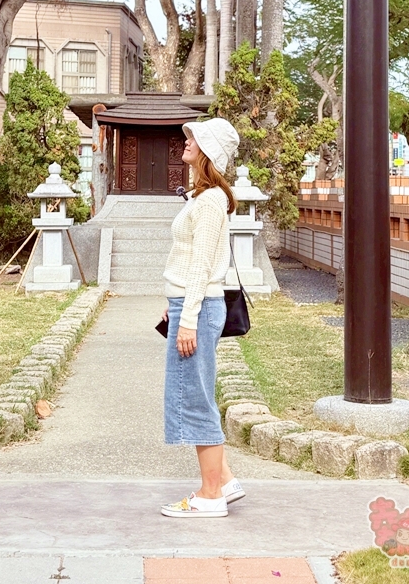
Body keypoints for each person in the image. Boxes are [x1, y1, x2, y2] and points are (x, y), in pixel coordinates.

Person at [160, 116, 244, 518]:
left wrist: (188, 317)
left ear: (209, 151)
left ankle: (210, 496)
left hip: (198, 306)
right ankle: (225, 481)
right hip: (188, 303)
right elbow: (186, 260)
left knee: (195, 400)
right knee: (196, 394)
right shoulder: (202, 197)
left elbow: (201, 265)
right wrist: (174, 303)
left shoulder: (210, 202)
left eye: (195, 138)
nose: (187, 141)